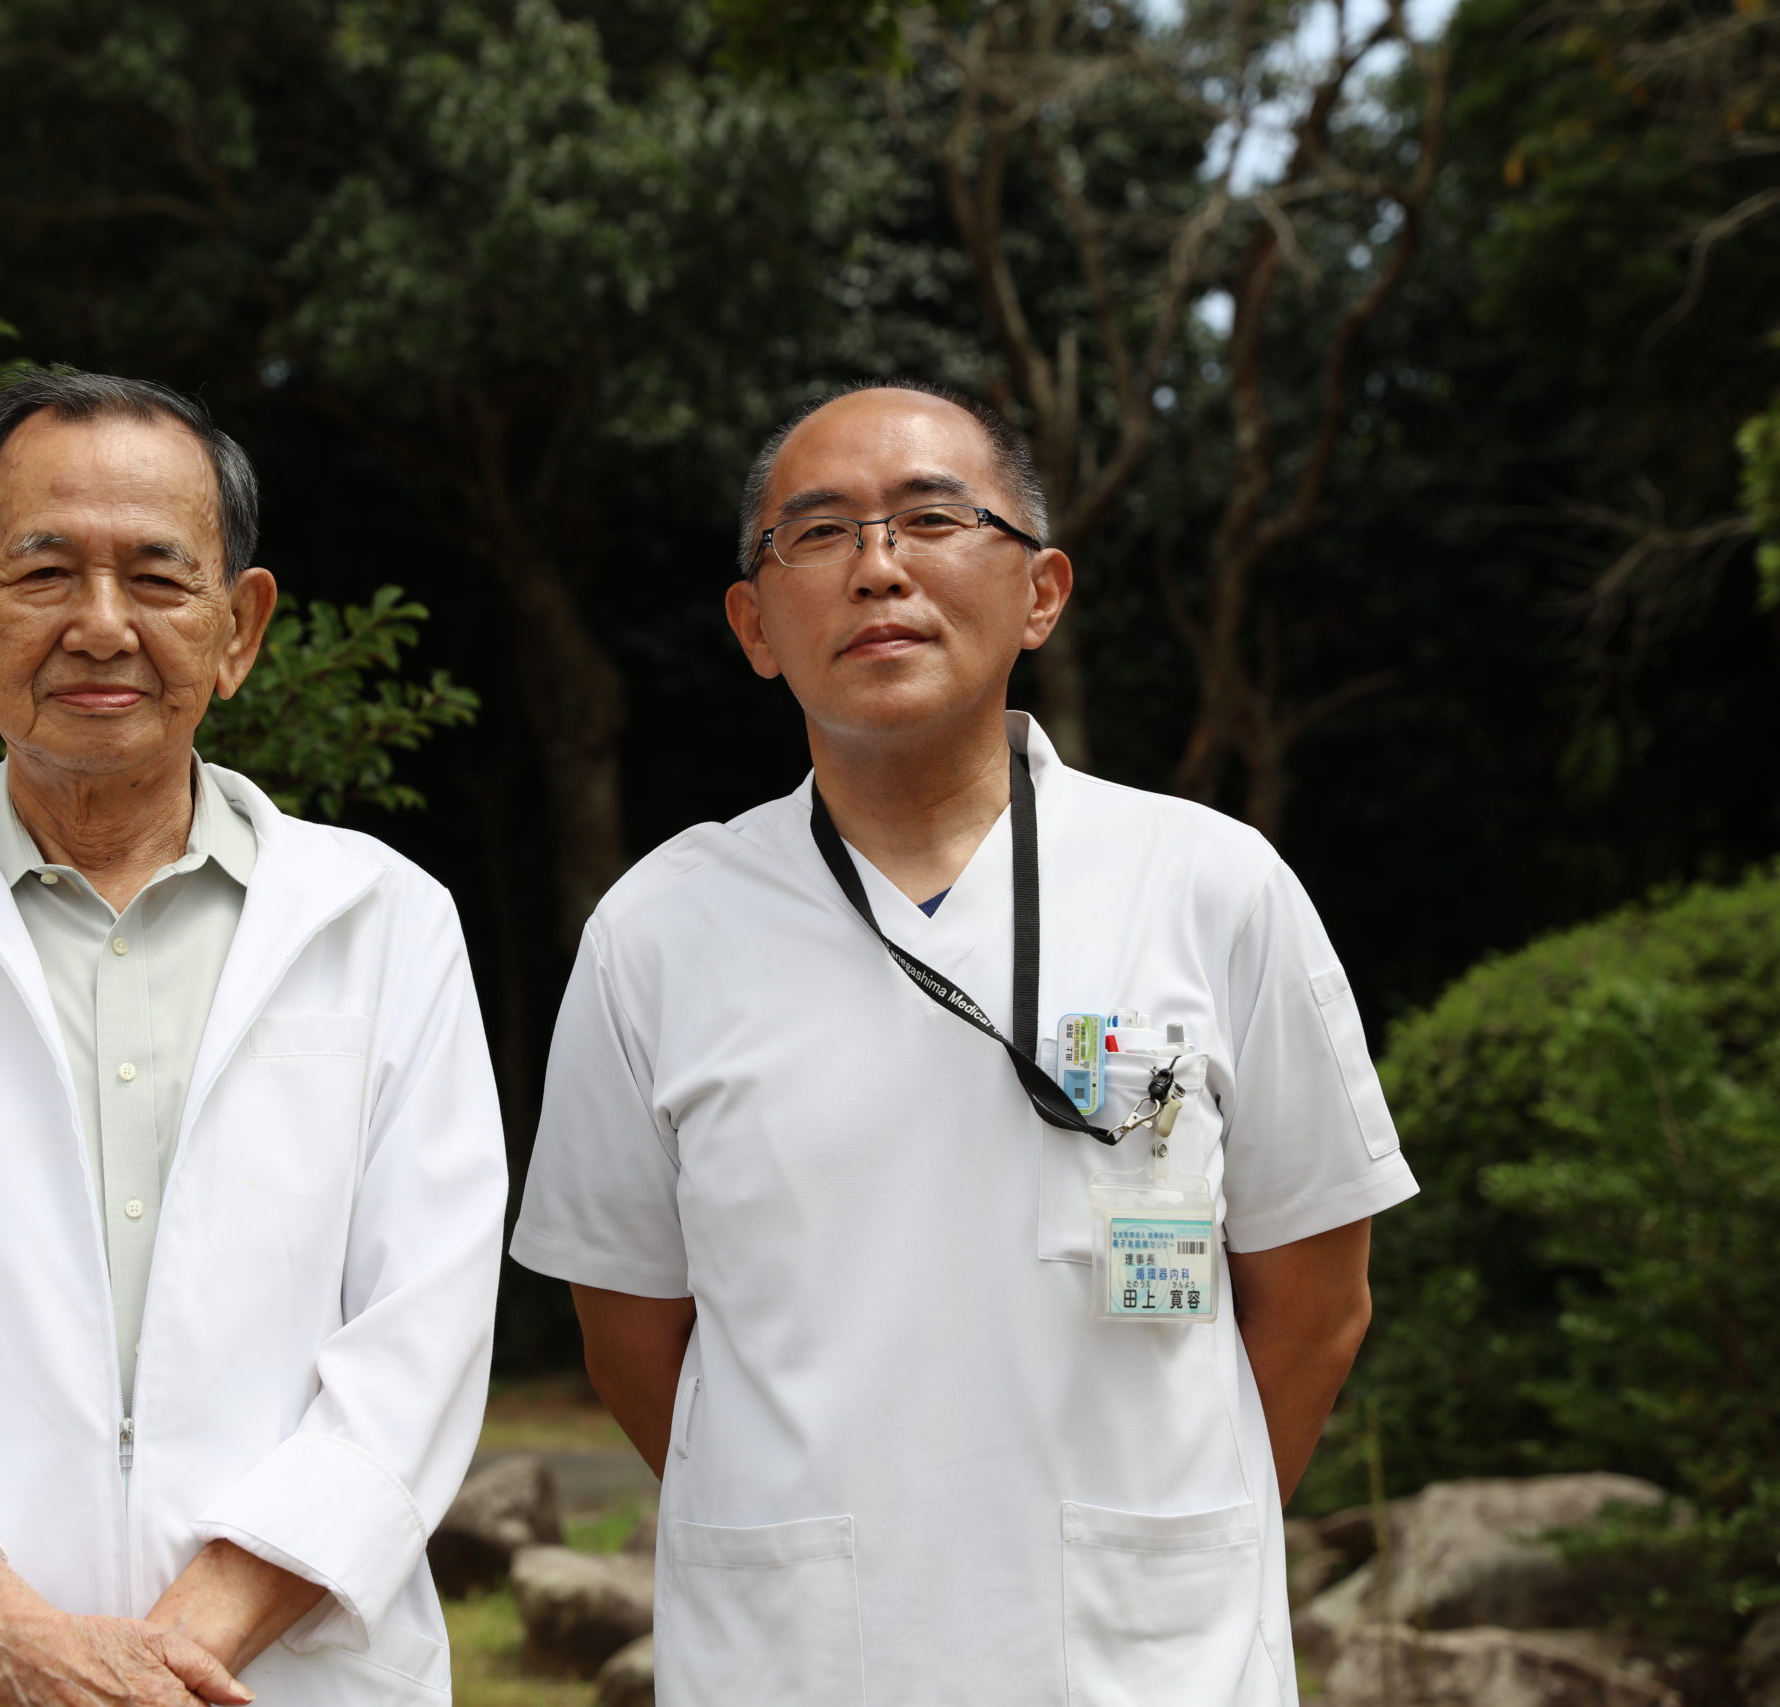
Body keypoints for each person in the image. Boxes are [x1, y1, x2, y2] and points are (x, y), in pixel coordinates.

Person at [509, 380, 1417, 1706]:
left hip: (1148, 1663)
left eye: (933, 519)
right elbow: (631, 1338)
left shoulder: (1209, 887)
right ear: (754, 626)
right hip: (801, 1664)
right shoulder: (657, 932)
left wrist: (1178, 1547)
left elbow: (1318, 1306)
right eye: (820, 533)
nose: (878, 567)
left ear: (1041, 592)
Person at [0, 369, 507, 1707]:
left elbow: (425, 1326)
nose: (102, 625)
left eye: (157, 576)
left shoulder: (384, 921)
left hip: (284, 1678)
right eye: (45, 573)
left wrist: (177, 1655)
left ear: (240, 628)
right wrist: (7, 1636)